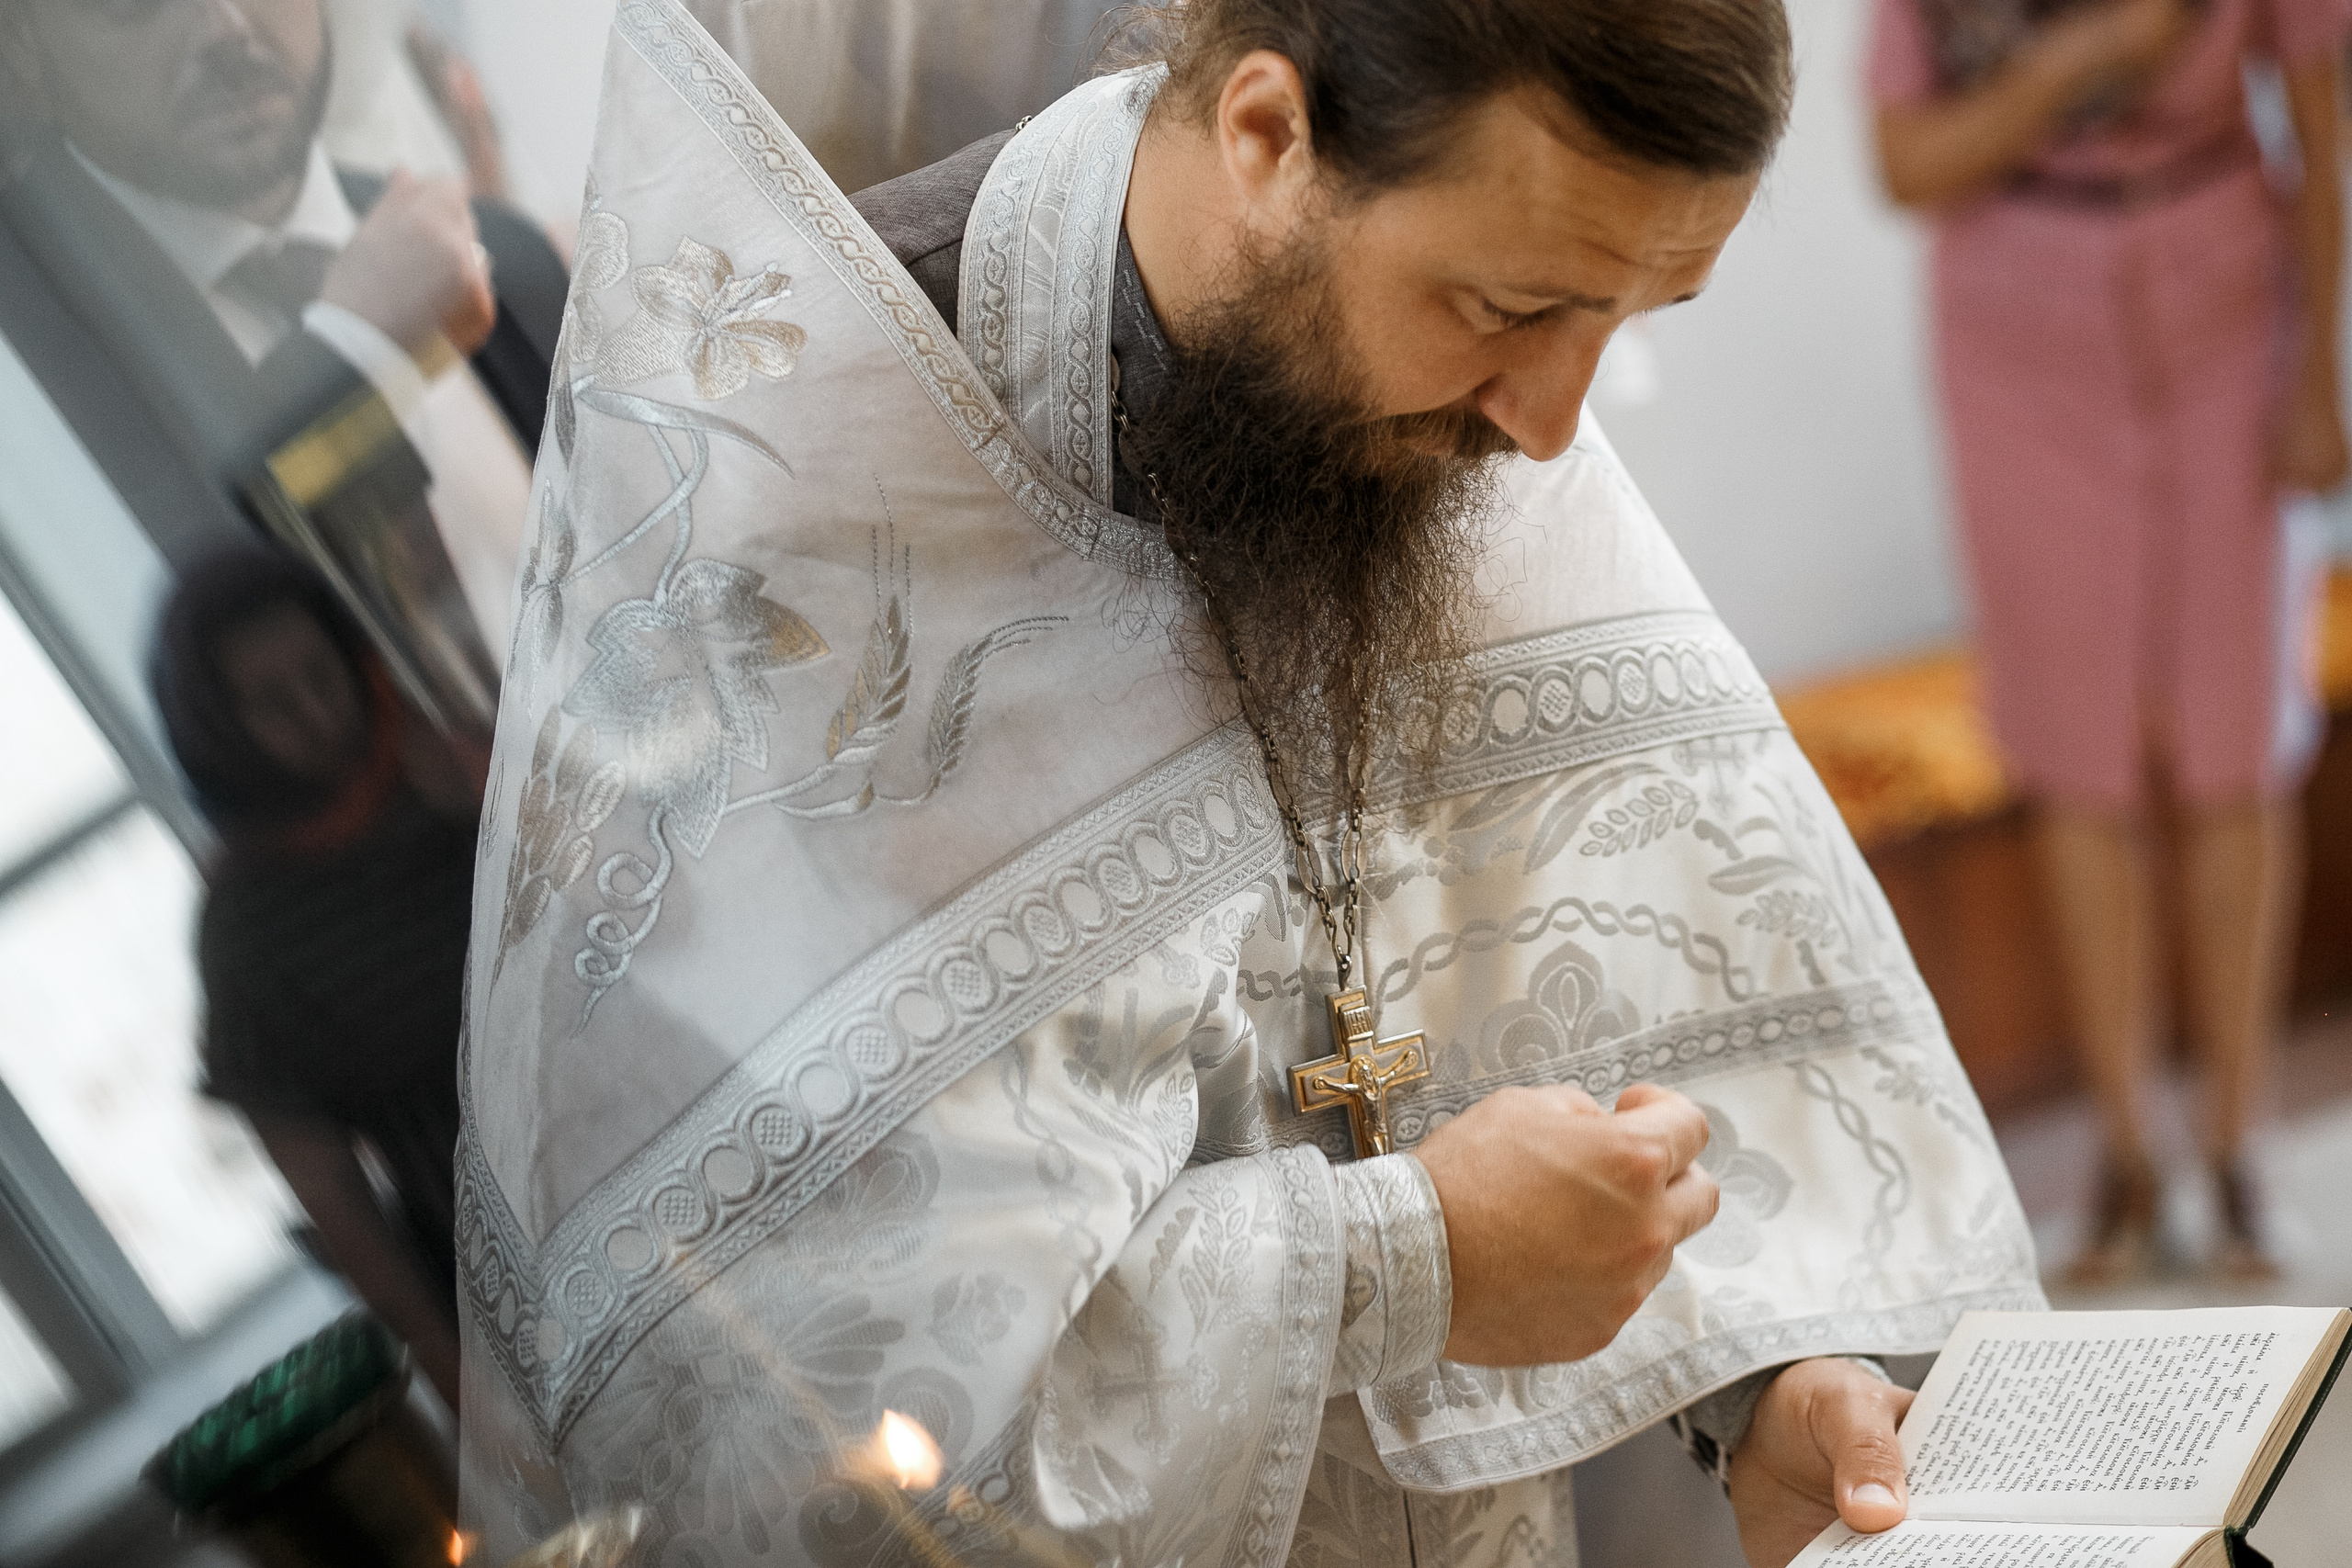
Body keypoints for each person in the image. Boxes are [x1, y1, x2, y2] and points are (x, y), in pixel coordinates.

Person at [458, 3, 2043, 1565]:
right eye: (1510, 308)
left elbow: (1611, 984)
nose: (1556, 430)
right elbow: (767, 1412)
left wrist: (1760, 1382)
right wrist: (1404, 1255)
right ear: (1270, 134)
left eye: (1630, 317)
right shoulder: (810, 497)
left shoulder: (1446, 392)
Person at [1869, 0, 2348, 1285]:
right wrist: (2087, 58)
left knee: (2236, 742)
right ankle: (2130, 1158)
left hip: (2231, 306)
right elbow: (1905, 162)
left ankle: (2239, 1152)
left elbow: (2323, 125)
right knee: (2078, 755)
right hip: (2017, 329)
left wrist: (2322, 379)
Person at [0, 0, 567, 728]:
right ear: (22, 50)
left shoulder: (505, 256)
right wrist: (353, 352)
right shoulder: (26, 367)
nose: (226, 28)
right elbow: (200, 629)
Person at [154, 548, 484, 1409]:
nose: (316, 713)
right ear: (220, 731)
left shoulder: (450, 757)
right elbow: (331, 1192)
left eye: (320, 675)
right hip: (513, 1272)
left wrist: (498, 796)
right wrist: (455, 1378)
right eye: (272, 703)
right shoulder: (247, 930)